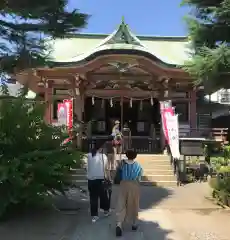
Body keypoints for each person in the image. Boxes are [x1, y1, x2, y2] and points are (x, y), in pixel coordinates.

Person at [115, 149, 143, 237]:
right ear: (135, 156)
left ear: (126, 155)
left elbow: (117, 173)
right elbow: (139, 178)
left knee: (122, 203)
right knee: (134, 203)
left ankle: (119, 224)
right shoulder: (138, 166)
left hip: (123, 184)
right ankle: (134, 223)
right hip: (134, 185)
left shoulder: (122, 164)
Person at [87, 141, 111, 223]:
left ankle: (94, 215)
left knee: (93, 197)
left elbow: (86, 167)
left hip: (91, 180)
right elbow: (106, 169)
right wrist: (109, 178)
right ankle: (106, 211)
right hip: (101, 179)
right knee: (103, 196)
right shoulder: (103, 156)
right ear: (101, 148)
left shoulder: (89, 155)